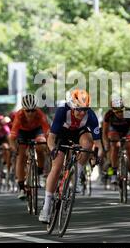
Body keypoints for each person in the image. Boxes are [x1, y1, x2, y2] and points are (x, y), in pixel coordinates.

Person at [39, 89, 102, 223]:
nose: (82, 113)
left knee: (88, 144)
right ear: (72, 106)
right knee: (57, 167)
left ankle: (77, 175)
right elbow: (51, 137)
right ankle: (46, 206)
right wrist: (52, 150)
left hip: (79, 133)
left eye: (85, 109)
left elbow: (98, 143)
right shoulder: (62, 111)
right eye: (79, 109)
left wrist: (97, 156)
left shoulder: (91, 116)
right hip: (62, 134)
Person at [10, 94, 50, 200]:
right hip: (23, 132)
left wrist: (49, 145)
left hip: (37, 131)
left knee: (41, 146)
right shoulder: (19, 116)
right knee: (21, 156)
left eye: (33, 110)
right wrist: (14, 148)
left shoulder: (40, 114)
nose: (31, 113)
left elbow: (48, 133)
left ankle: (40, 173)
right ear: (23, 109)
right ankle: (21, 187)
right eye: (28, 111)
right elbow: (12, 137)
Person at [102, 97, 130, 189]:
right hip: (114, 130)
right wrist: (106, 143)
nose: (120, 114)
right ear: (113, 111)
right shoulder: (109, 114)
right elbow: (104, 132)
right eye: (117, 112)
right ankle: (114, 173)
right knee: (115, 146)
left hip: (128, 130)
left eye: (121, 111)